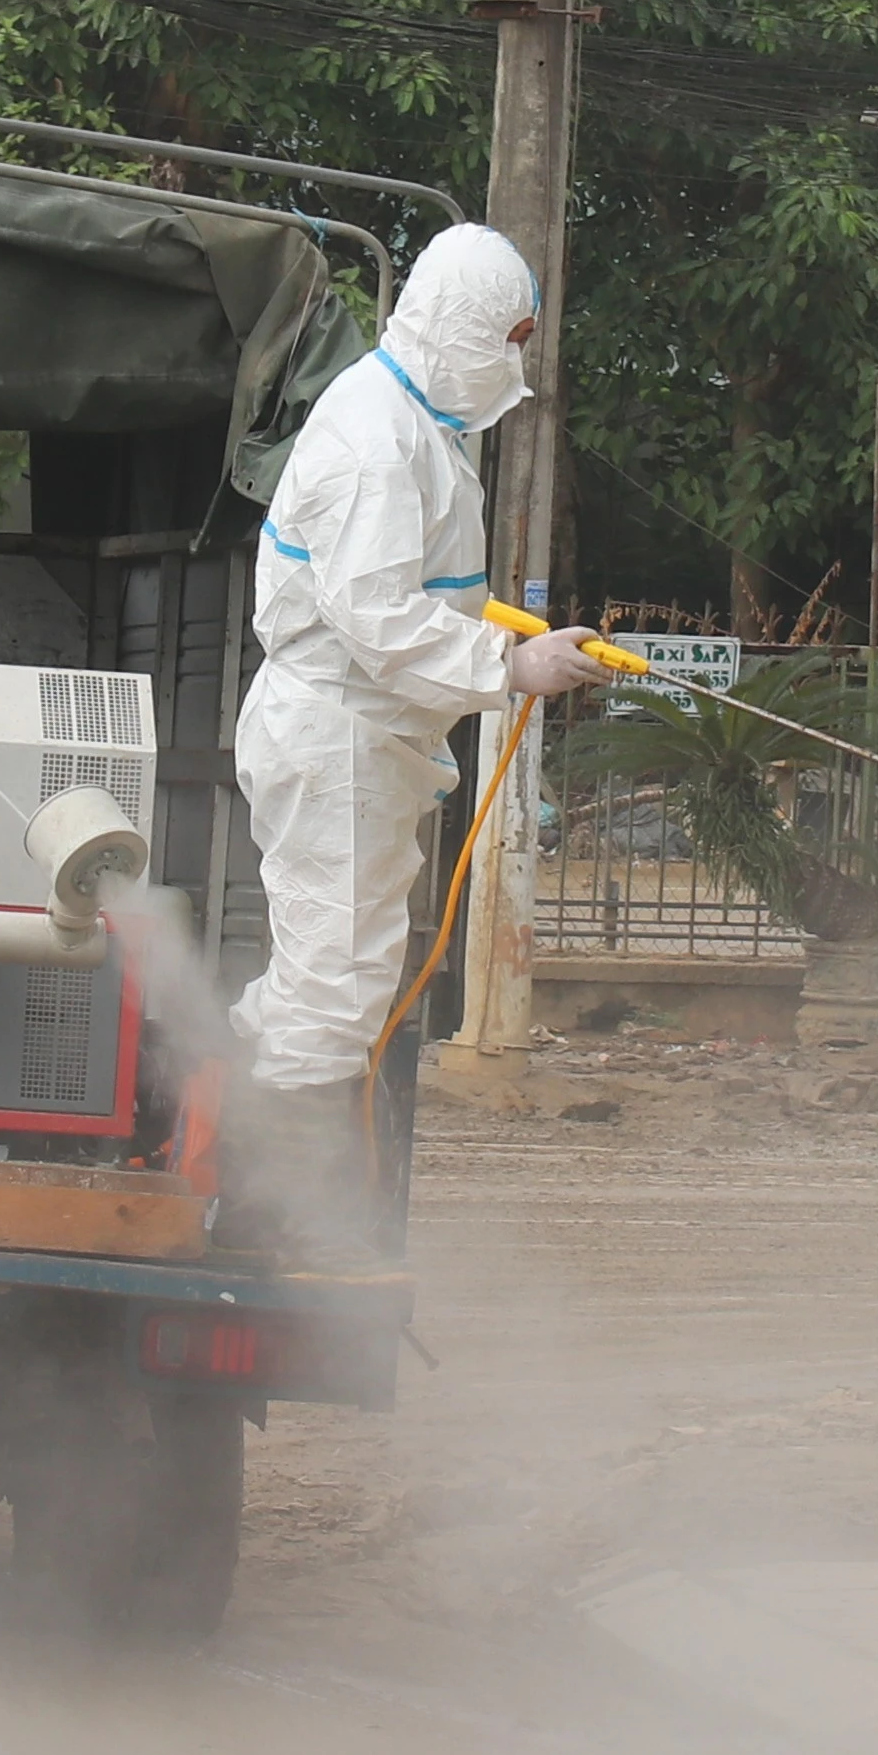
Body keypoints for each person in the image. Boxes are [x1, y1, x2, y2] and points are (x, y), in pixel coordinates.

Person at [220, 223, 603, 1210]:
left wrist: (504, 647)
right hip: (337, 734)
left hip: (365, 737)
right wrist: (510, 665)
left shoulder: (419, 422)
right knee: (334, 991)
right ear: (468, 328)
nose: (517, 360)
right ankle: (273, 1214)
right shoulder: (376, 440)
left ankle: (211, 1136)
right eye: (512, 337)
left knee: (328, 972)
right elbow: (378, 617)